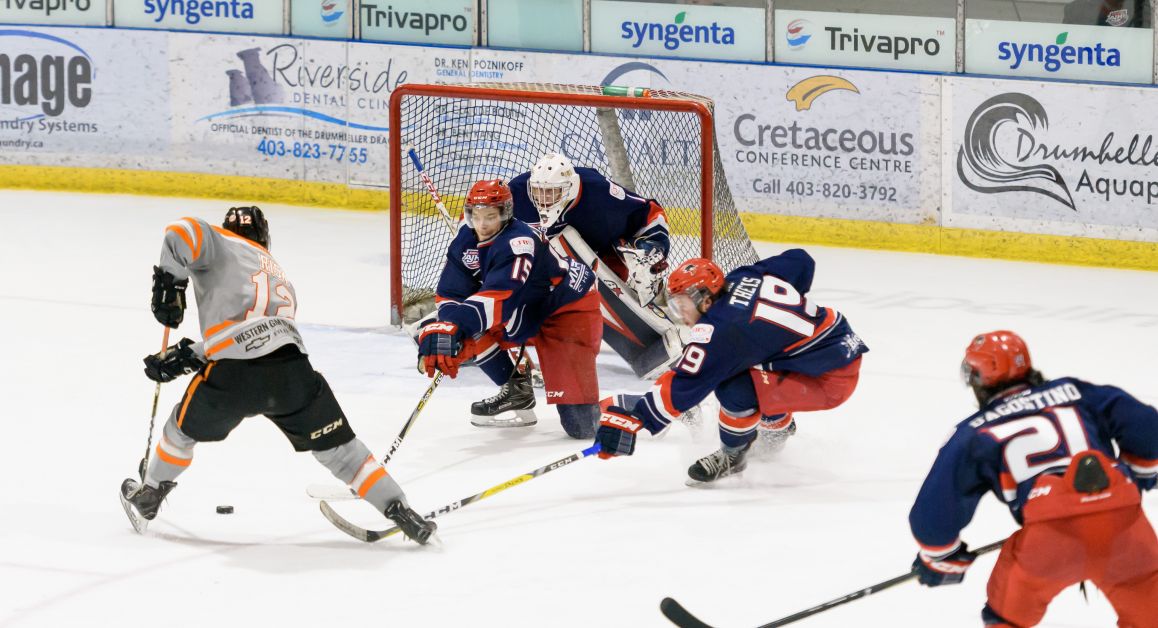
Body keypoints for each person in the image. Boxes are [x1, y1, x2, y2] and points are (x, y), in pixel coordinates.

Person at [120, 206, 436, 544]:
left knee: (180, 432)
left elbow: (180, 232)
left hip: (233, 376)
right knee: (342, 453)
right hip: (292, 373)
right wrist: (186, 356)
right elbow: (256, 335)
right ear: (265, 238)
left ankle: (151, 492)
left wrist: (170, 284)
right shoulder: (276, 272)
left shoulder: (220, 241)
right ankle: (400, 509)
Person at [909, 331, 1158, 627]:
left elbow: (935, 511)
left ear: (978, 380)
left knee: (1006, 618)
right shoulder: (1078, 392)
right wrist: (1139, 472)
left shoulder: (973, 432)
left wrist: (942, 556)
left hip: (1048, 542)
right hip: (1125, 527)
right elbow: (1148, 428)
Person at [594, 250, 868, 483]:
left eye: (682, 305)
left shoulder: (721, 331)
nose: (681, 314)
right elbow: (800, 260)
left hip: (830, 378)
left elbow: (683, 384)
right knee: (748, 365)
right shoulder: (742, 277)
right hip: (837, 341)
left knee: (733, 387)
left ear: (704, 298)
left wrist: (635, 419)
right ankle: (778, 421)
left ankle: (733, 455)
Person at [417, 179, 603, 438]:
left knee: (582, 427)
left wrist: (455, 334)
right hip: (524, 308)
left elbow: (498, 302)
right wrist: (445, 329)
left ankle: (637, 409)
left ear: (505, 214)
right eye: (476, 216)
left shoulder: (519, 243)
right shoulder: (465, 240)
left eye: (490, 217)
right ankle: (517, 391)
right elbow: (450, 294)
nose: (482, 225)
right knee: (453, 325)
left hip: (567, 309)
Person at [509, 153, 670, 305]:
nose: (543, 200)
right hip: (546, 270)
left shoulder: (598, 191)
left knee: (640, 258)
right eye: (538, 192)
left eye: (552, 192)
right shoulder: (516, 192)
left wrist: (654, 248)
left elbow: (649, 211)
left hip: (602, 258)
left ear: (569, 187)